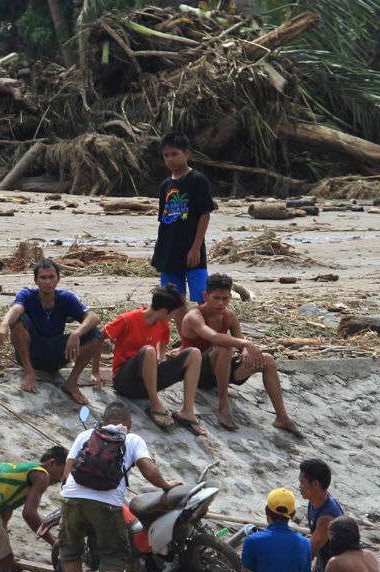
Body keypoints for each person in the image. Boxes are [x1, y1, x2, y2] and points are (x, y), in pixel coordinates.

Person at [56, 401, 180, 572]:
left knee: (70, 547)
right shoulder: (132, 439)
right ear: (129, 424)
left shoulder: (85, 436)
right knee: (114, 551)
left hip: (72, 499)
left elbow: (67, 473)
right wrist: (167, 486)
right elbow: (148, 470)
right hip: (107, 503)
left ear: (102, 421)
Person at [179, 273, 300, 435]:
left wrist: (245, 351)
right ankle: (223, 406)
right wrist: (246, 344)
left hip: (223, 371)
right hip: (198, 373)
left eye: (225, 299)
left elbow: (240, 342)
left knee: (268, 360)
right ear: (206, 296)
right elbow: (213, 337)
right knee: (224, 347)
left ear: (230, 297)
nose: (221, 303)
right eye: (216, 298)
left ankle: (282, 417)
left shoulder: (229, 316)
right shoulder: (195, 316)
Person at [0, 259, 102, 404]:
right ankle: (29, 372)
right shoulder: (27, 295)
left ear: (58, 279)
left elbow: (93, 317)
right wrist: (3, 325)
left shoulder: (66, 298)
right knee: (17, 321)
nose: (47, 281)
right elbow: (16, 309)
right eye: (43, 278)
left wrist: (76, 334)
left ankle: (71, 383)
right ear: (36, 280)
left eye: (51, 277)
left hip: (56, 354)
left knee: (95, 334)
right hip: (32, 353)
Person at [104, 285, 206, 435]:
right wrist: (95, 372)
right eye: (173, 314)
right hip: (125, 382)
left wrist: (160, 358)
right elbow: (100, 337)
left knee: (194, 353)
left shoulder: (163, 324)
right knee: (149, 350)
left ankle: (187, 411)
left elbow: (163, 343)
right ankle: (155, 404)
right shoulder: (128, 319)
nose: (172, 318)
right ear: (165, 311)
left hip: (147, 381)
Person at [151, 131, 216, 303]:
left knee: (202, 298)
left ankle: (203, 330)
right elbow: (163, 221)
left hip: (191, 249)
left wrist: (195, 248)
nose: (170, 159)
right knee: (173, 302)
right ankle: (184, 331)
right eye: (166, 155)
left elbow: (204, 215)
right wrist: (160, 253)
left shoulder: (198, 180)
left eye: (175, 154)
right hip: (169, 251)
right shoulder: (166, 185)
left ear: (186, 153)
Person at [298, 458, 343, 572]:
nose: (299, 487)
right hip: (324, 565)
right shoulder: (315, 501)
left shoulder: (327, 518)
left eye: (302, 482)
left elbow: (309, 553)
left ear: (316, 484)